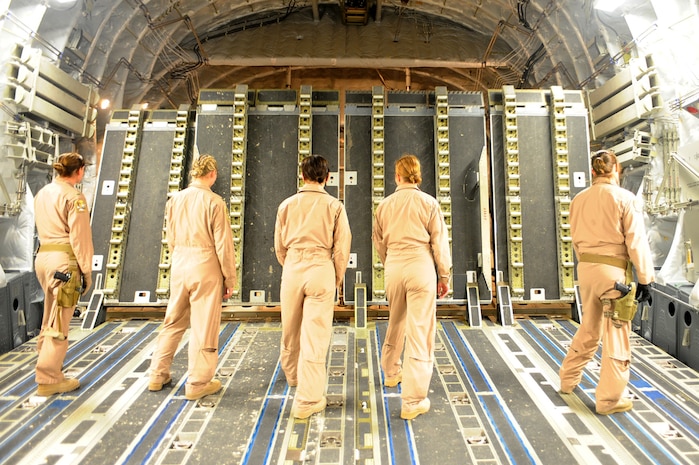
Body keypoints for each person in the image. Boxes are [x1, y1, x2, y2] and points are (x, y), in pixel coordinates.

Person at [559, 150, 654, 415]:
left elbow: (574, 237)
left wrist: (588, 263)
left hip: (586, 269)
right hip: (614, 274)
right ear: (617, 169)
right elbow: (635, 241)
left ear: (593, 171)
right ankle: (610, 400)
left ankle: (568, 379)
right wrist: (645, 278)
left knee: (589, 327)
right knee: (616, 333)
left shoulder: (579, 199)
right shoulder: (625, 198)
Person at [148, 154, 236, 401]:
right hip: (205, 264)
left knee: (173, 320)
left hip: (179, 263)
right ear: (212, 175)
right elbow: (223, 245)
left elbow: (170, 237)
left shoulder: (175, 199)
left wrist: (179, 257)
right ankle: (198, 383)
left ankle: (157, 374)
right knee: (203, 326)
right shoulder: (215, 202)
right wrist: (229, 278)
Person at [372, 154, 452, 420]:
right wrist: (444, 276)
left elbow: (379, 243)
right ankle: (413, 400)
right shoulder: (429, 203)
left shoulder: (384, 206)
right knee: (420, 332)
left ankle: (391, 373)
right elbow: (439, 244)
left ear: (397, 176)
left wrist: (391, 263)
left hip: (394, 265)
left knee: (396, 320)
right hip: (421, 266)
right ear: (419, 176)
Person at [274, 155, 352, 419]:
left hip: (293, 267)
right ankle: (307, 400)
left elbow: (279, 247)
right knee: (315, 335)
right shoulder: (335, 206)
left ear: (303, 176)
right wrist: (336, 277)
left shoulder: (286, 205)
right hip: (321, 268)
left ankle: (293, 375)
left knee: (290, 327)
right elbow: (342, 248)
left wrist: (292, 264)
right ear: (327, 178)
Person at [34, 152, 94, 396]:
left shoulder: (43, 193)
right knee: (59, 322)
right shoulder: (74, 197)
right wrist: (87, 271)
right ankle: (49, 378)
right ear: (79, 172)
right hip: (64, 262)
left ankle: (49, 365)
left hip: (43, 257)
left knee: (49, 316)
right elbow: (79, 238)